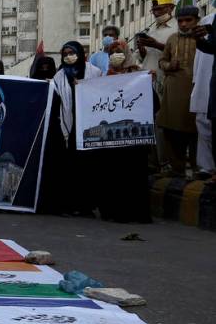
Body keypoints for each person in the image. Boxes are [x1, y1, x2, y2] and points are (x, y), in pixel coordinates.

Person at [37, 41, 102, 216]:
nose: (68, 56)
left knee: (88, 167)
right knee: (72, 166)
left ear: (79, 53)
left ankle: (87, 206)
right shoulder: (59, 77)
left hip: (90, 124)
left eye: (71, 52)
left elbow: (103, 92)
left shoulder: (94, 72)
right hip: (70, 126)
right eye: (65, 54)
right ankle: (72, 204)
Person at [97, 40, 151, 223]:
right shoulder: (104, 77)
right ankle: (114, 212)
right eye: (112, 52)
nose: (116, 54)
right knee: (114, 174)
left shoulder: (139, 75)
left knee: (135, 174)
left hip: (134, 136)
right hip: (114, 137)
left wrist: (148, 81)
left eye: (120, 51)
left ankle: (137, 213)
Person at [157, 6, 201, 176]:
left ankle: (200, 169)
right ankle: (177, 169)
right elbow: (162, 61)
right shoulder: (172, 39)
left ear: (197, 20)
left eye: (188, 20)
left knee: (197, 131)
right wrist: (169, 65)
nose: (183, 24)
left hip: (196, 92)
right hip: (174, 92)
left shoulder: (203, 39)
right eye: (180, 21)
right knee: (173, 131)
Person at [191, 0, 216, 179]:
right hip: (206, 78)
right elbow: (206, 51)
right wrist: (199, 40)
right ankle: (207, 167)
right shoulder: (209, 19)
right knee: (204, 123)